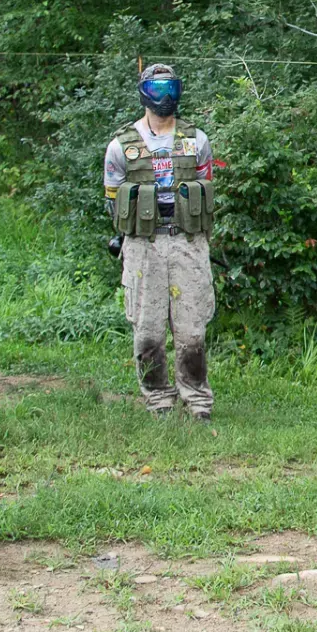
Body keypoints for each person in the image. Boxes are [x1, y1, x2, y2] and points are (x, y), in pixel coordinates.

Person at [104, 64, 217, 419]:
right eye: (157, 90)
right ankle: (158, 400)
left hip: (188, 241)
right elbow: (113, 201)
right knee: (148, 332)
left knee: (192, 331)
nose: (164, 97)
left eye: (171, 89)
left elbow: (206, 188)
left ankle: (197, 401)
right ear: (144, 94)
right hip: (143, 245)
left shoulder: (197, 140)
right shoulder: (121, 146)